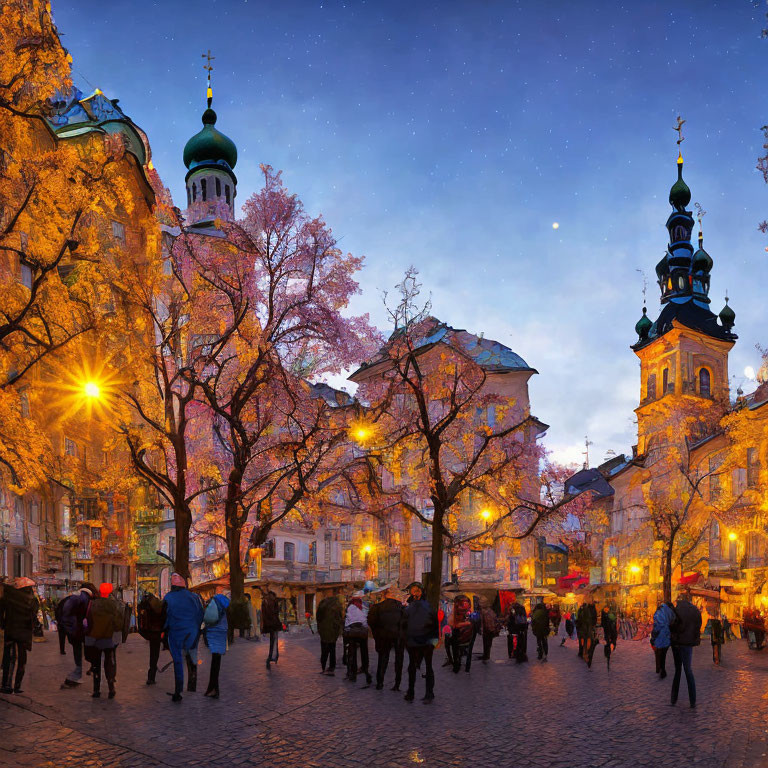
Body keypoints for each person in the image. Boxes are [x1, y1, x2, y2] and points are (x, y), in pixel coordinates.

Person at [163, 573, 204, 702]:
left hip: (175, 633)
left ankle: (178, 690)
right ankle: (192, 685)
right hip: (192, 632)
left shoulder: (168, 597)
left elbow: (165, 617)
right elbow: (200, 614)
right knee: (192, 657)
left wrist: (165, 629)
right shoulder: (195, 597)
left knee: (178, 661)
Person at [84, 583, 124, 699]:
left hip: (94, 639)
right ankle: (111, 688)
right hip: (108, 639)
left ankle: (96, 690)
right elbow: (118, 624)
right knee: (109, 663)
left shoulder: (93, 604)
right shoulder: (114, 605)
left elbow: (87, 620)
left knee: (96, 664)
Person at [0, 577, 39, 694]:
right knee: (22, 660)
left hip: (11, 631)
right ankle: (17, 686)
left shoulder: (8, 597)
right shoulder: (32, 600)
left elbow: (1, 612)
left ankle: (6, 685)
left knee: (10, 658)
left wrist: (3, 625)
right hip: (24, 633)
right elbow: (34, 613)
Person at [402, 581, 438, 702]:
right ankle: (413, 692)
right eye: (413, 591)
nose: (415, 593)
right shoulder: (411, 608)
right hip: (417, 642)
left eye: (417, 591)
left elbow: (434, 625)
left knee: (423, 667)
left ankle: (426, 693)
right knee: (414, 667)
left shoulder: (424, 607)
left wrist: (433, 642)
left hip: (423, 642)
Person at [58, 583, 96, 689]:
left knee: (78, 650)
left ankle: (79, 673)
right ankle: (83, 672)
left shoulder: (76, 596)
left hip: (74, 630)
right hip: (79, 630)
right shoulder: (84, 598)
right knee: (87, 650)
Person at [367, 587, 404, 690]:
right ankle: (397, 684)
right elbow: (405, 622)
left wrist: (377, 634)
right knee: (399, 659)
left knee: (382, 659)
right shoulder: (400, 606)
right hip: (397, 636)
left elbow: (371, 621)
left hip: (383, 636)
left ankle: (380, 683)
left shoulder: (377, 607)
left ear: (384, 595)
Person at [670, 595, 702, 708]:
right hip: (688, 644)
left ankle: (673, 699)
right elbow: (699, 625)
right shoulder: (695, 610)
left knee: (678, 670)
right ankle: (692, 701)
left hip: (677, 643)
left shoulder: (676, 610)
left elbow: (672, 625)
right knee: (688, 670)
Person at [203, 590, 229, 698]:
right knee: (216, 663)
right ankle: (214, 688)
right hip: (221, 633)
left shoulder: (214, 604)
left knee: (215, 664)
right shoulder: (223, 605)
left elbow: (208, 619)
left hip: (214, 633)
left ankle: (213, 689)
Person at [137, 591, 166, 685]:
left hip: (149, 632)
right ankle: (152, 676)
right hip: (158, 632)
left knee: (153, 654)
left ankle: (151, 676)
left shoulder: (143, 605)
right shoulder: (159, 604)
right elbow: (163, 617)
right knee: (155, 654)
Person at [343, 595, 371, 685]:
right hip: (362, 632)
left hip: (352, 633)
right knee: (364, 651)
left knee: (352, 653)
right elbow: (365, 621)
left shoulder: (350, 608)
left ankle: (353, 673)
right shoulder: (363, 608)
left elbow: (347, 621)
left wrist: (346, 631)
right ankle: (365, 669)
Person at [447, 594, 476, 673]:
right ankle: (455, 661)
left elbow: (453, 624)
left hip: (462, 639)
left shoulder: (464, 614)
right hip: (465, 638)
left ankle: (455, 664)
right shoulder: (464, 613)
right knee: (450, 638)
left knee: (450, 640)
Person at [316, 594, 344, 676]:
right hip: (333, 632)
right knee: (332, 649)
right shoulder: (337, 606)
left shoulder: (322, 604)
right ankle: (331, 668)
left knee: (324, 649)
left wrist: (320, 627)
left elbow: (318, 617)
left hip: (324, 631)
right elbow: (340, 619)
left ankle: (323, 667)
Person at [650, 601, 676, 679]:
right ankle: (662, 669)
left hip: (660, 636)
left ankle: (661, 670)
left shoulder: (660, 611)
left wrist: (654, 635)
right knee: (663, 654)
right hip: (667, 635)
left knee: (659, 653)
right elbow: (673, 621)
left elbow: (657, 625)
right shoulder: (671, 612)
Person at [261, 590, 282, 669]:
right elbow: (274, 613)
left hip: (270, 625)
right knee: (273, 641)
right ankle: (271, 657)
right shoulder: (270, 602)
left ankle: (272, 657)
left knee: (273, 641)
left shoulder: (266, 602)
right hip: (272, 625)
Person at [577, 598, 598, 666]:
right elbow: (594, 618)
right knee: (587, 641)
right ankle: (585, 654)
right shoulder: (589, 609)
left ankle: (584, 654)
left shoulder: (584, 610)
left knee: (585, 641)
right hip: (587, 627)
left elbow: (579, 619)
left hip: (585, 628)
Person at [478, 597, 500, 663]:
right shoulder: (491, 610)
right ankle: (487, 655)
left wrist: (481, 630)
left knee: (486, 643)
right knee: (489, 643)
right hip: (491, 629)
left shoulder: (482, 611)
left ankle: (486, 656)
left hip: (486, 629)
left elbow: (482, 622)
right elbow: (495, 618)